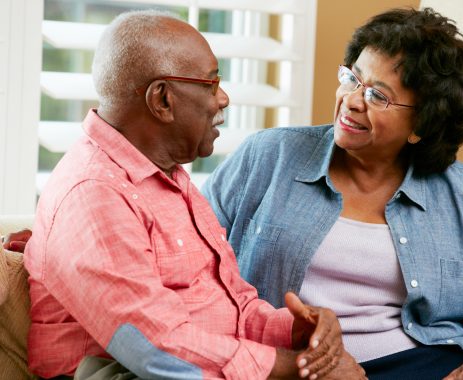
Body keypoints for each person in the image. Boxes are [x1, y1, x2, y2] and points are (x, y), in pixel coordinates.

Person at [201, 7, 463, 380]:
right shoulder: (268, 156)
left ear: (421, 124)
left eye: (377, 95)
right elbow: (183, 272)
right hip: (293, 366)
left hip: (421, 367)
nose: (352, 100)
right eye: (352, 79)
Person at [20, 10, 366, 380]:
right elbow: (157, 349)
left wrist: (297, 330)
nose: (223, 98)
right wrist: (300, 370)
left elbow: (234, 309)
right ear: (163, 100)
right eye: (210, 84)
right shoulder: (94, 194)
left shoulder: (167, 176)